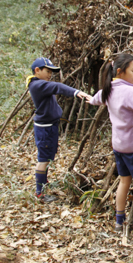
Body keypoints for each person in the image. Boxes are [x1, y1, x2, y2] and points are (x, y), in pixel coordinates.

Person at [88, 54, 133, 237]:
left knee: (124, 182)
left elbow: (95, 99)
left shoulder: (108, 89)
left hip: (119, 148)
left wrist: (86, 98)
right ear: (120, 71)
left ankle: (119, 222)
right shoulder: (130, 92)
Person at [26, 57, 91, 203]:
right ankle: (40, 193)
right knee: (43, 159)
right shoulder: (37, 85)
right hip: (45, 129)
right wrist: (76, 92)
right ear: (37, 70)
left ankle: (43, 184)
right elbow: (58, 87)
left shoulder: (41, 84)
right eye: (47, 71)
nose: (50, 74)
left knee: (47, 158)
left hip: (49, 126)